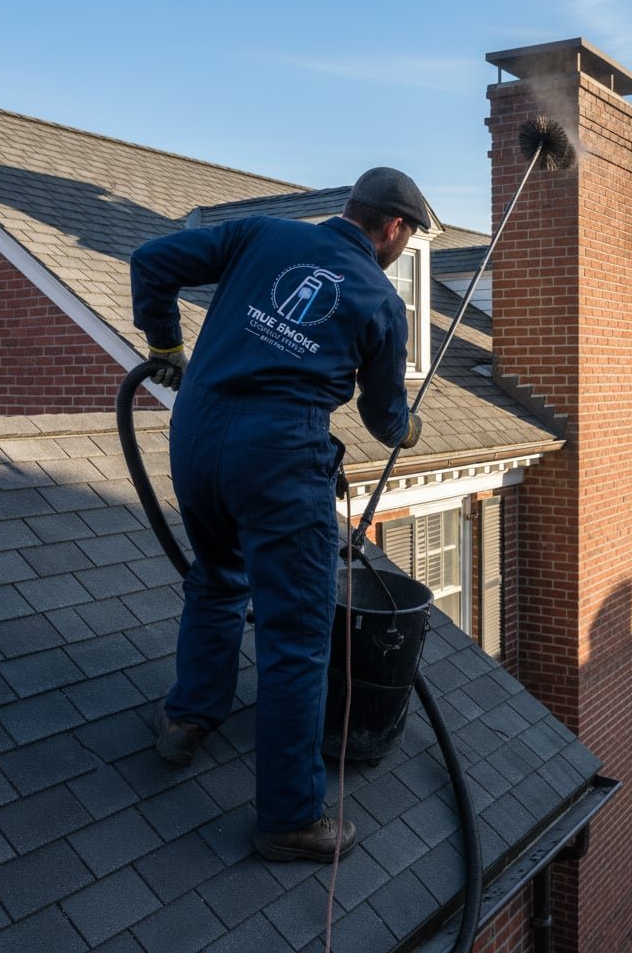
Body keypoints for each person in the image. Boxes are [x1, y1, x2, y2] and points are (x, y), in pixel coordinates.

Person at [130, 167, 429, 862]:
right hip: (277, 454)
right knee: (297, 636)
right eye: (405, 236)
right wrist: (407, 430)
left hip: (197, 435)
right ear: (393, 228)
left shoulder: (261, 235)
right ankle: (291, 816)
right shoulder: (381, 301)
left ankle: (186, 718)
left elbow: (151, 260)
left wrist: (165, 345)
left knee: (217, 574)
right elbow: (386, 419)